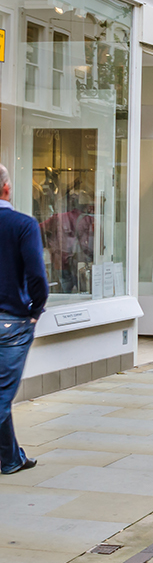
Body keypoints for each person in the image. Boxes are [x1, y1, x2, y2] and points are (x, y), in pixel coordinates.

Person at [0, 163, 48, 475]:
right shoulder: (22, 224)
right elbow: (37, 277)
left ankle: (11, 458)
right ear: (6, 188)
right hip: (12, 323)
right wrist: (34, 311)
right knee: (2, 394)